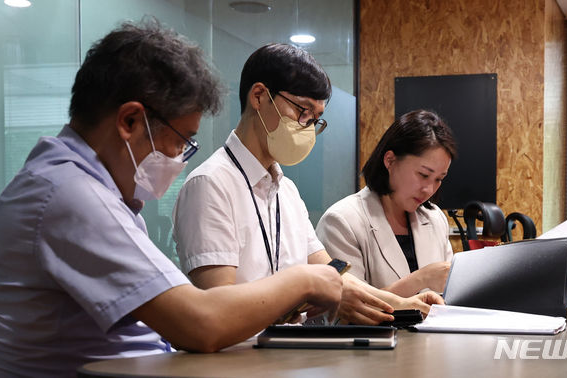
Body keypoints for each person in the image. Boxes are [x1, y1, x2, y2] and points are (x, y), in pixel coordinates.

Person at [0, 21, 344, 378]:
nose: (180, 157)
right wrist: (302, 281)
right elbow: (200, 324)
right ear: (130, 121)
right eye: (182, 140)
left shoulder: (87, 190)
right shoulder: (69, 194)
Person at [173, 44, 442, 326]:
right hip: (239, 360)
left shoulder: (286, 191)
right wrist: (304, 288)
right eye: (302, 111)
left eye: (314, 120)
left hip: (287, 356)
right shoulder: (211, 184)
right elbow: (218, 307)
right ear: (259, 96)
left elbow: (333, 273)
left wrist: (401, 304)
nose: (306, 127)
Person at [316, 110, 457, 297]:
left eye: (439, 179)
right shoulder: (342, 221)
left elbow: (450, 293)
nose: (429, 190)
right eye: (423, 175)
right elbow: (349, 307)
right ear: (390, 161)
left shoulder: (435, 218)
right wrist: (421, 279)